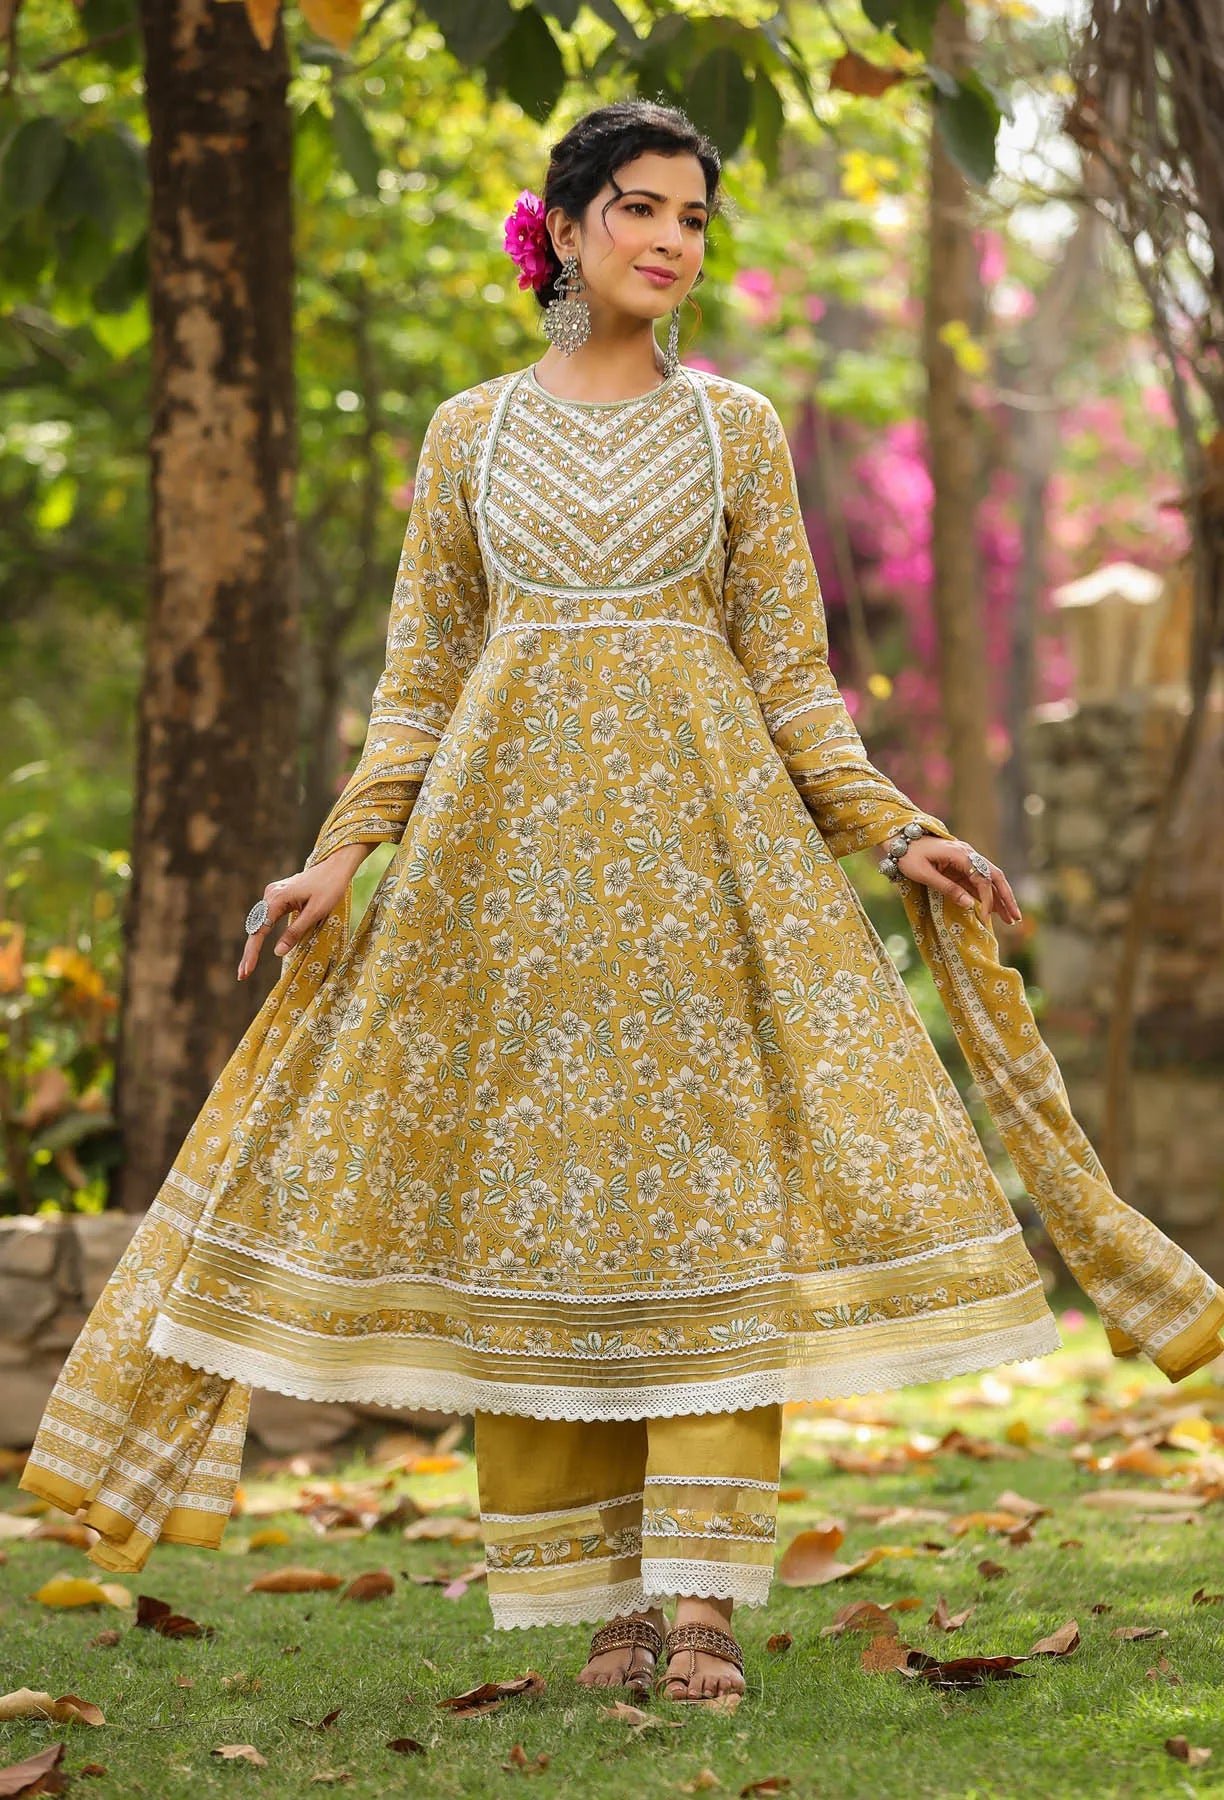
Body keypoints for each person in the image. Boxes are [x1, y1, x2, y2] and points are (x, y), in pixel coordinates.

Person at [20, 100, 1223, 1706]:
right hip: (497, 890)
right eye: (642, 209)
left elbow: (791, 677)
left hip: (702, 880)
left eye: (694, 219)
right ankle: (600, 1606)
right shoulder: (470, 435)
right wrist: (342, 849)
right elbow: (420, 680)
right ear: (568, 227)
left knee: (714, 1212)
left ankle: (708, 1602)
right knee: (540, 1225)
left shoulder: (735, 433)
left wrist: (892, 827)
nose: (672, 241)